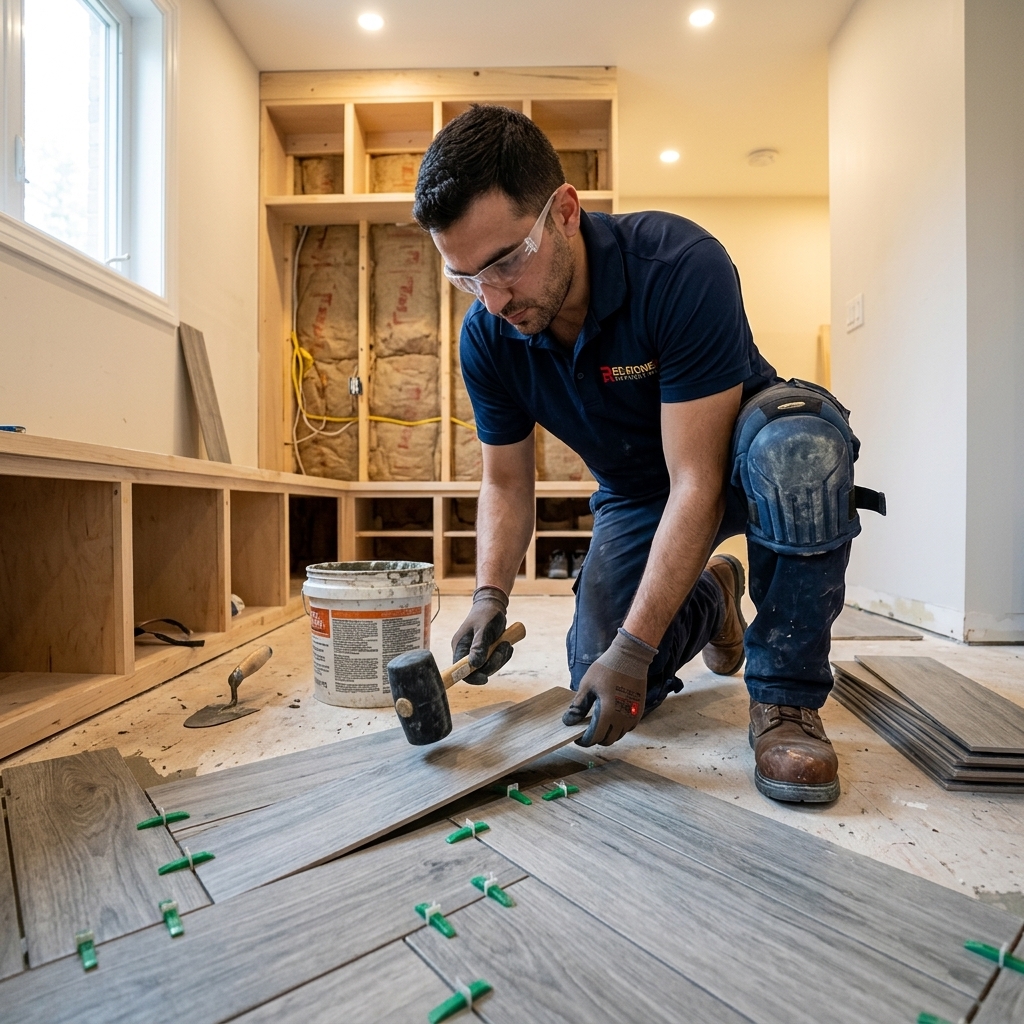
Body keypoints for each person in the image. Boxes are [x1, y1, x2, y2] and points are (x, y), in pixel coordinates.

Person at [413, 106, 881, 804]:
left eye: (507, 261)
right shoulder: (487, 336)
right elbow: (507, 486)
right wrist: (490, 594)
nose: (493, 296)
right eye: (466, 278)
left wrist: (634, 649)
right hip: (639, 491)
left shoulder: (678, 265)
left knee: (800, 444)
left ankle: (786, 698)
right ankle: (714, 597)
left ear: (565, 212)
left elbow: (697, 481)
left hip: (739, 465)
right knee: (597, 682)